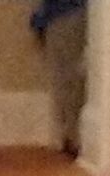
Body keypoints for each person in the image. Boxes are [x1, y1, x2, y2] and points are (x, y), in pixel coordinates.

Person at [31, 0, 89, 161]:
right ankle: (71, 135)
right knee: (67, 76)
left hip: (67, 12)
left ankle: (72, 136)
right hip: (61, 13)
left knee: (68, 77)